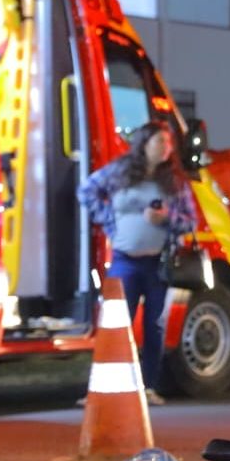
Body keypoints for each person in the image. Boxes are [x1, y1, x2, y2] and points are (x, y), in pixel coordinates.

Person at [78, 120, 197, 405]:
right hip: (124, 260)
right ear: (144, 143)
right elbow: (87, 191)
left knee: (155, 325)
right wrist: (109, 221)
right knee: (116, 324)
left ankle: (148, 386)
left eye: (168, 143)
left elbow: (190, 220)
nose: (165, 148)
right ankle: (103, 389)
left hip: (158, 264)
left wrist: (166, 218)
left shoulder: (175, 183)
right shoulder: (120, 172)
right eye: (159, 142)